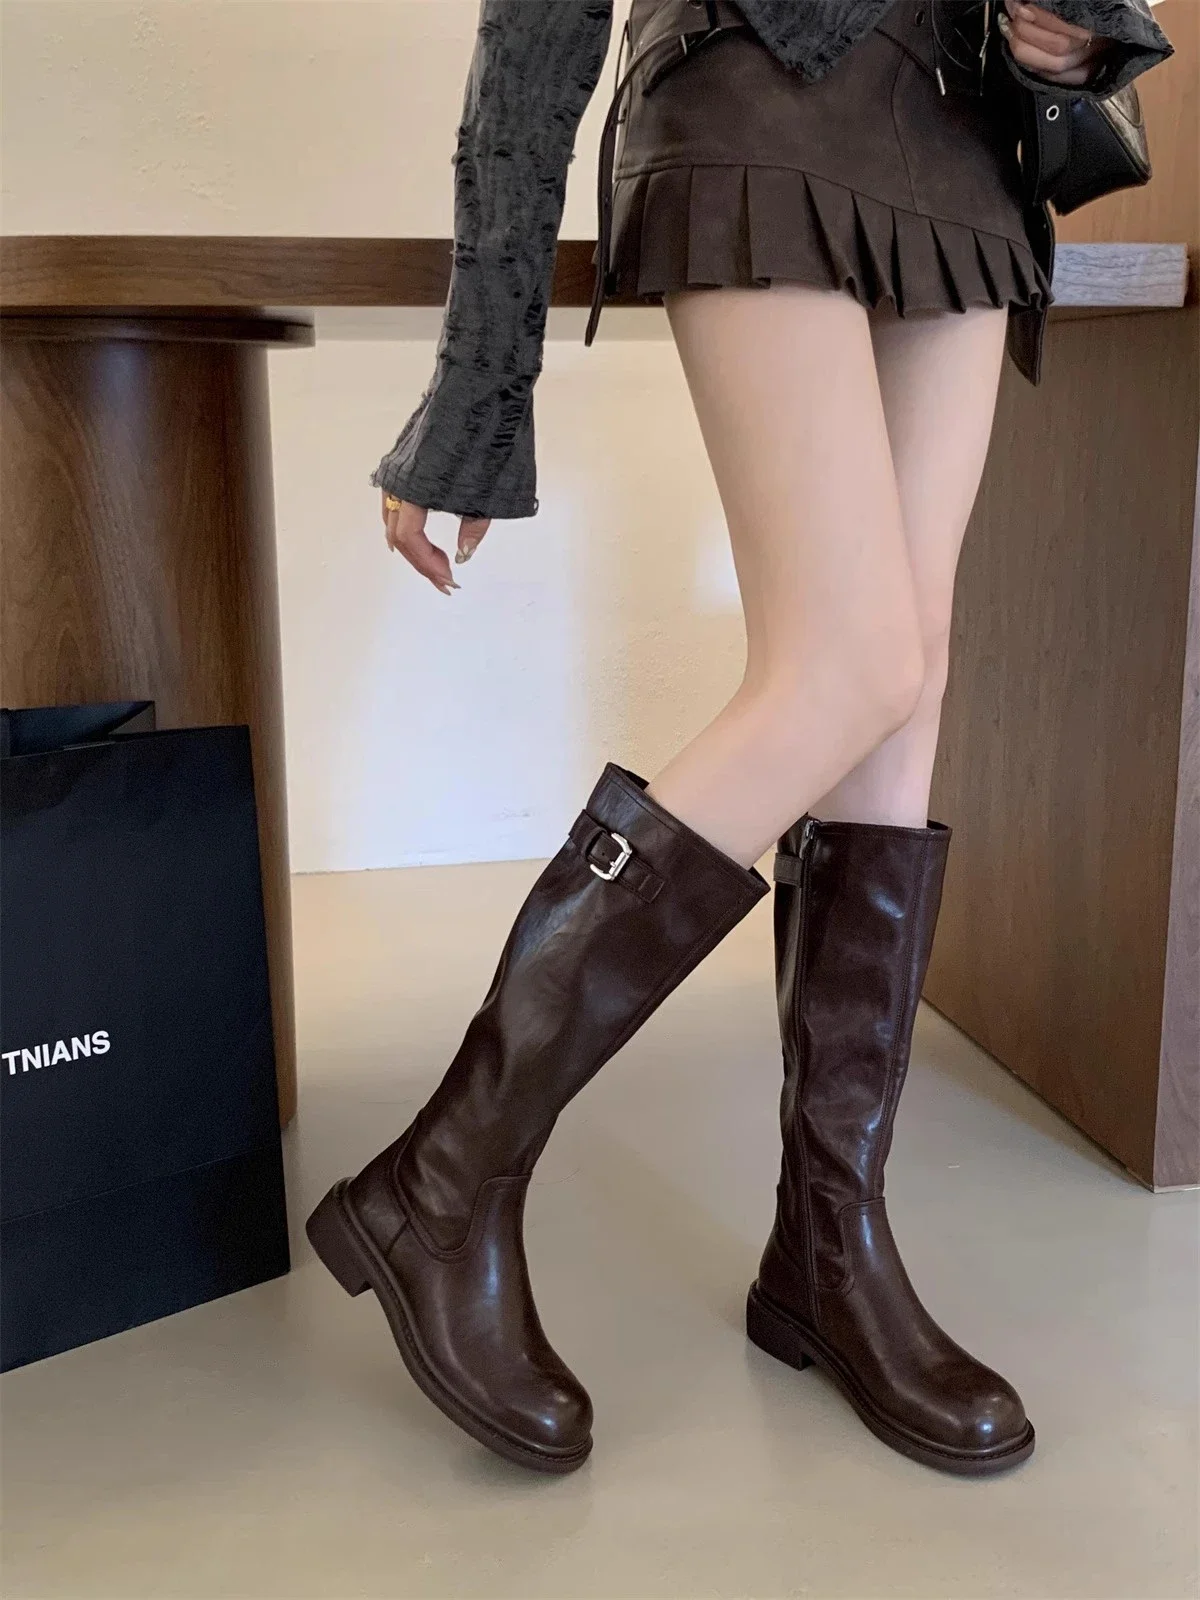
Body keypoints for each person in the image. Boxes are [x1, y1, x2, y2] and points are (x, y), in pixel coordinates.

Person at [306, 0, 1173, 1477]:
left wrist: (1076, 41)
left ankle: (830, 1249)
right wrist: (477, 386)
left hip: (963, 139)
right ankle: (443, 1181)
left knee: (907, 679)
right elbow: (534, 26)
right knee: (847, 662)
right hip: (755, 96)